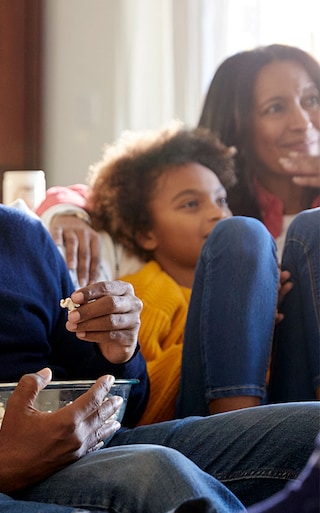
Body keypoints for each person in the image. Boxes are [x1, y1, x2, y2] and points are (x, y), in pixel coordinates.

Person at [0, 12, 320, 511]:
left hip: (101, 446)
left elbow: (123, 406)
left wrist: (117, 352)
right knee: (154, 472)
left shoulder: (18, 233)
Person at [38, 44, 320, 402]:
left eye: (312, 99)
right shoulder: (219, 241)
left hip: (289, 392)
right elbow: (106, 197)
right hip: (220, 407)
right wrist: (66, 210)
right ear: (240, 127)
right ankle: (235, 430)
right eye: (275, 108)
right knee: (241, 236)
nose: (303, 121)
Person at [85, 122, 291, 421]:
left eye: (221, 199)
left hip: (282, 411)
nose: (217, 213)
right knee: (242, 233)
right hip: (200, 425)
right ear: (145, 232)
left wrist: (254, 319)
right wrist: (235, 323)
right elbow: (144, 405)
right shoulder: (146, 291)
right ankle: (238, 431)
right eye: (191, 204)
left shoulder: (265, 287)